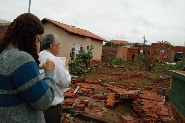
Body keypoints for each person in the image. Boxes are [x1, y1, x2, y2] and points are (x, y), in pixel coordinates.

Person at [0, 13, 56, 122]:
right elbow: (43, 102)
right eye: (39, 39)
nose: (37, 43)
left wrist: (31, 69)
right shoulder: (21, 58)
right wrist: (49, 72)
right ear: (31, 35)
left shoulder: (4, 53)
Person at [39, 34, 71, 123]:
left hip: (36, 106)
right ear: (51, 46)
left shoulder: (36, 57)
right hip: (51, 108)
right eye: (58, 45)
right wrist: (67, 71)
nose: (60, 47)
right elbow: (65, 82)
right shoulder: (55, 60)